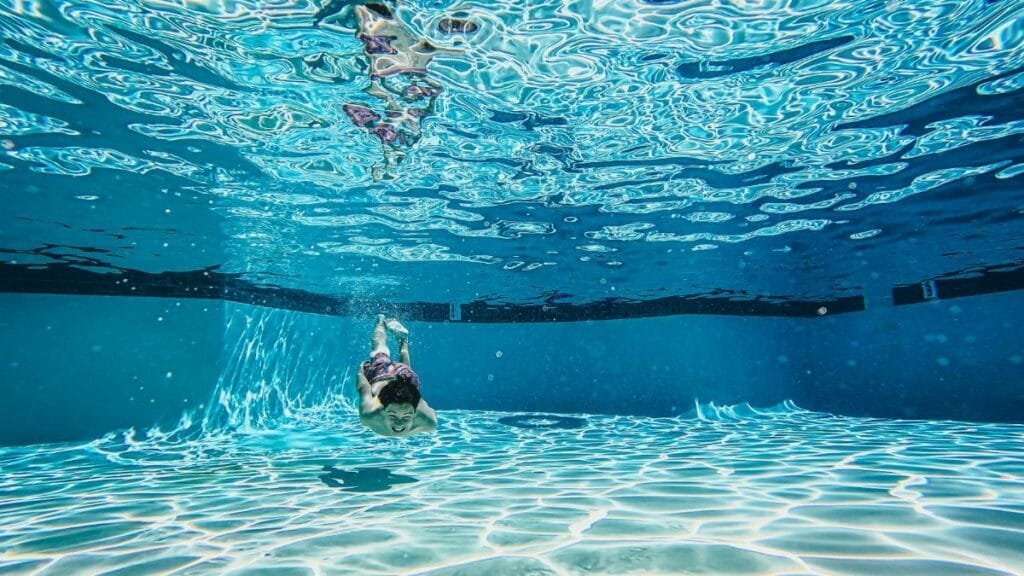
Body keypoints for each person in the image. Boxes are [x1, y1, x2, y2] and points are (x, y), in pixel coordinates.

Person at [356, 314, 437, 436]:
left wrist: (361, 372)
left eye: (406, 416)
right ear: (382, 409)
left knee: (382, 353)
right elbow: (363, 388)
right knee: (382, 352)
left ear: (415, 412)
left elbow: (364, 388)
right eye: (392, 415)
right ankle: (386, 326)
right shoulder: (428, 422)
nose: (399, 424)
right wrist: (360, 373)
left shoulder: (368, 416)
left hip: (391, 376)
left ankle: (395, 333)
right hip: (384, 374)